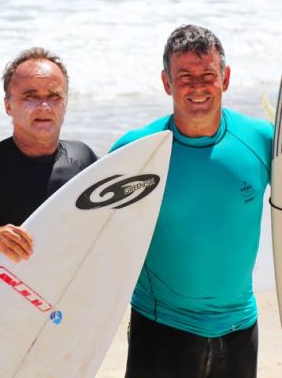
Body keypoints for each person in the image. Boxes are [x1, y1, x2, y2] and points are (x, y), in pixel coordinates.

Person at [111, 25, 272, 378]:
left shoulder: (263, 142)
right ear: (167, 82)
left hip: (240, 329)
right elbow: (98, 236)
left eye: (207, 75)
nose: (197, 87)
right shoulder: (137, 152)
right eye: (184, 76)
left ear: (225, 78)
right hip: (161, 325)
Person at [0, 47, 97, 289]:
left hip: (65, 303)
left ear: (65, 103)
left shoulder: (83, 159)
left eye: (54, 96)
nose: (44, 106)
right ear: (8, 106)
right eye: (30, 96)